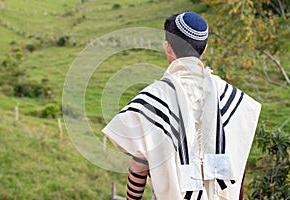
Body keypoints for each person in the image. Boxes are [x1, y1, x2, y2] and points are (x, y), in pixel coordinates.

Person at [103, 12, 261, 200]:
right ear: (204, 49)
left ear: (168, 48)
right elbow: (238, 164)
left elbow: (139, 168)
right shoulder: (236, 100)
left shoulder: (152, 101)